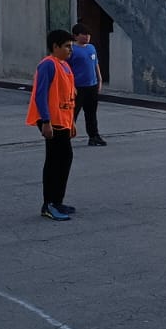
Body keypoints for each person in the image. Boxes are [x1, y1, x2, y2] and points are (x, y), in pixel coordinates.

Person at [28, 30, 79, 222]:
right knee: (55, 160)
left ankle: (57, 201)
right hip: (52, 120)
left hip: (62, 119)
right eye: (67, 46)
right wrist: (46, 121)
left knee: (64, 158)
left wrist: (71, 122)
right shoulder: (48, 64)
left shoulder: (64, 65)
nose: (70, 50)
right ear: (55, 46)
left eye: (71, 47)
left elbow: (69, 97)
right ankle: (49, 204)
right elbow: (40, 95)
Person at [68, 23, 107, 146]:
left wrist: (99, 79)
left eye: (88, 34)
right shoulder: (71, 50)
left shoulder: (91, 48)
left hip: (92, 85)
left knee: (91, 113)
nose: (87, 37)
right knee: (72, 113)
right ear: (76, 36)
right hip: (78, 87)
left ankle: (94, 136)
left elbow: (95, 64)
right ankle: (66, 136)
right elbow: (67, 68)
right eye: (84, 34)